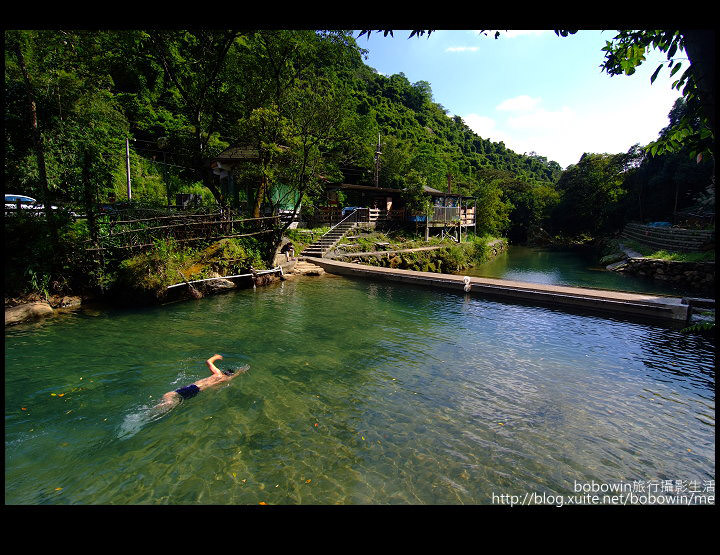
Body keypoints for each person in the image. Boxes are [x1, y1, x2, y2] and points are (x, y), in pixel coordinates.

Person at [153, 354, 248, 412]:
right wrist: (241, 371)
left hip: (193, 387)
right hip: (196, 391)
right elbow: (234, 375)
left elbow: (208, 362)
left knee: (169, 395)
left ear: (223, 372)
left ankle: (157, 407)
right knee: (175, 401)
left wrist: (215, 357)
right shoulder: (225, 379)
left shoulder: (218, 374)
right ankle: (158, 408)